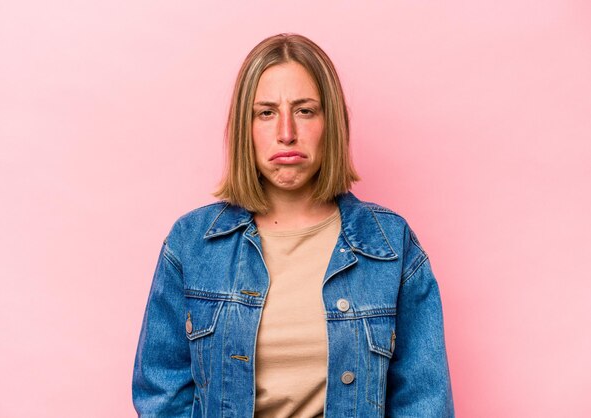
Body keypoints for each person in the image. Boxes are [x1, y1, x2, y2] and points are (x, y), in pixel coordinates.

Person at [132, 33, 454, 417]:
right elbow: (161, 394)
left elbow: (424, 403)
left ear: (329, 122)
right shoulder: (192, 244)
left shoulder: (390, 246)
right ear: (245, 129)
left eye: (305, 110)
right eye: (266, 113)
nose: (286, 132)